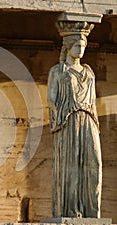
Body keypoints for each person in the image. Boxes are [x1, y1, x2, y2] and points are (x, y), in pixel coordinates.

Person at [47, 33, 102, 218]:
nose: (81, 49)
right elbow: (51, 99)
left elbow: (93, 100)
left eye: (83, 46)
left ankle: (92, 211)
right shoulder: (58, 70)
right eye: (77, 45)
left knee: (94, 163)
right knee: (71, 167)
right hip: (68, 121)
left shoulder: (89, 72)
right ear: (68, 47)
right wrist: (59, 119)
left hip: (89, 120)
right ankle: (71, 210)